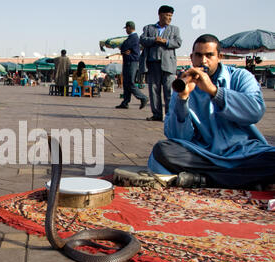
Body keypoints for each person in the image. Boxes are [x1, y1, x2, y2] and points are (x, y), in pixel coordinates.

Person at [147, 34, 275, 190]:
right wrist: (182, 99)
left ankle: (204, 180)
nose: (203, 61)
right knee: (163, 150)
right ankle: (241, 180)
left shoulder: (241, 77)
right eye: (199, 55)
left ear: (219, 57)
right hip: (205, 154)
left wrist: (214, 91)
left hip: (243, 152)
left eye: (209, 55)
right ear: (191, 57)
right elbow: (176, 136)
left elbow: (255, 111)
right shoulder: (183, 85)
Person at [140, 5, 182, 121]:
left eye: (171, 16)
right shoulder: (148, 28)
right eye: (167, 15)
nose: (169, 18)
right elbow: (142, 40)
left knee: (169, 91)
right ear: (160, 15)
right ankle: (157, 114)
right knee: (154, 91)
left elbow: (178, 43)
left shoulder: (175, 29)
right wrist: (154, 40)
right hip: (153, 64)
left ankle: (169, 115)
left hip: (168, 64)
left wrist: (166, 41)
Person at [116, 21, 149, 109]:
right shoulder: (131, 38)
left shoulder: (133, 37)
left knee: (130, 82)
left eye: (126, 28)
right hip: (128, 61)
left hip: (131, 62)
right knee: (126, 83)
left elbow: (123, 47)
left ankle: (143, 97)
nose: (126, 30)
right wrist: (124, 50)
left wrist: (123, 49)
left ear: (129, 28)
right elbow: (123, 49)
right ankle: (125, 102)